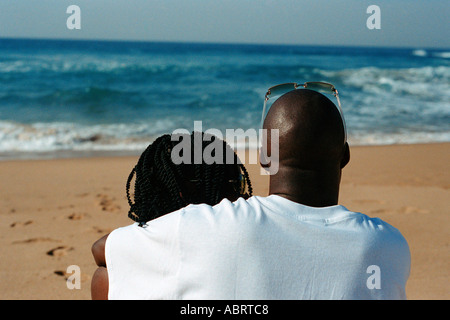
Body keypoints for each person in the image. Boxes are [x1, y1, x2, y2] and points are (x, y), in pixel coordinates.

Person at [94, 86, 410, 300]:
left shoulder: (211, 225)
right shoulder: (388, 244)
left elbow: (103, 251)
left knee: (108, 274)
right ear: (344, 156)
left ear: (263, 156)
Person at [91, 132, 253, 299]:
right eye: (237, 184)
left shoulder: (159, 238)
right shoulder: (240, 223)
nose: (241, 194)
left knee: (105, 277)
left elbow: (99, 249)